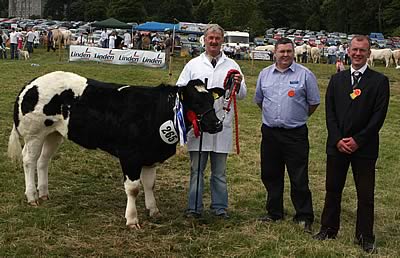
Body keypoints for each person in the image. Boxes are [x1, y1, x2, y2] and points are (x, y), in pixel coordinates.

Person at [313, 35, 390, 254]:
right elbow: (330, 113)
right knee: (332, 189)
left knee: (365, 194)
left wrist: (358, 140)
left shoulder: (379, 81)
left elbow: (378, 117)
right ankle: (328, 229)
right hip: (337, 147)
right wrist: (338, 139)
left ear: (368, 53)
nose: (358, 54)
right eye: (354, 50)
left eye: (362, 50)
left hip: (364, 149)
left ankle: (365, 235)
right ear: (348, 51)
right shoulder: (337, 80)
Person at [176, 24, 247, 218]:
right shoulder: (193, 65)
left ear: (222, 41)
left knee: (219, 172)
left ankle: (219, 207)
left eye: (217, 38)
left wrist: (239, 85)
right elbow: (179, 90)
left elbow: (242, 95)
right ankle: (194, 208)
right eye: (210, 38)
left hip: (221, 124)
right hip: (198, 125)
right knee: (196, 170)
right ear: (204, 40)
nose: (214, 42)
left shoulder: (232, 65)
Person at [254, 37, 320, 233]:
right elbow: (259, 100)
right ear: (274, 52)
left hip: (295, 134)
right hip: (270, 133)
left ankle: (304, 215)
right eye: (281, 51)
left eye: (288, 51)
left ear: (294, 52)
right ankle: (274, 212)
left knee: (298, 176)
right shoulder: (264, 74)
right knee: (270, 174)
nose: (285, 55)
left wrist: (296, 117)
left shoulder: (305, 75)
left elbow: (313, 102)